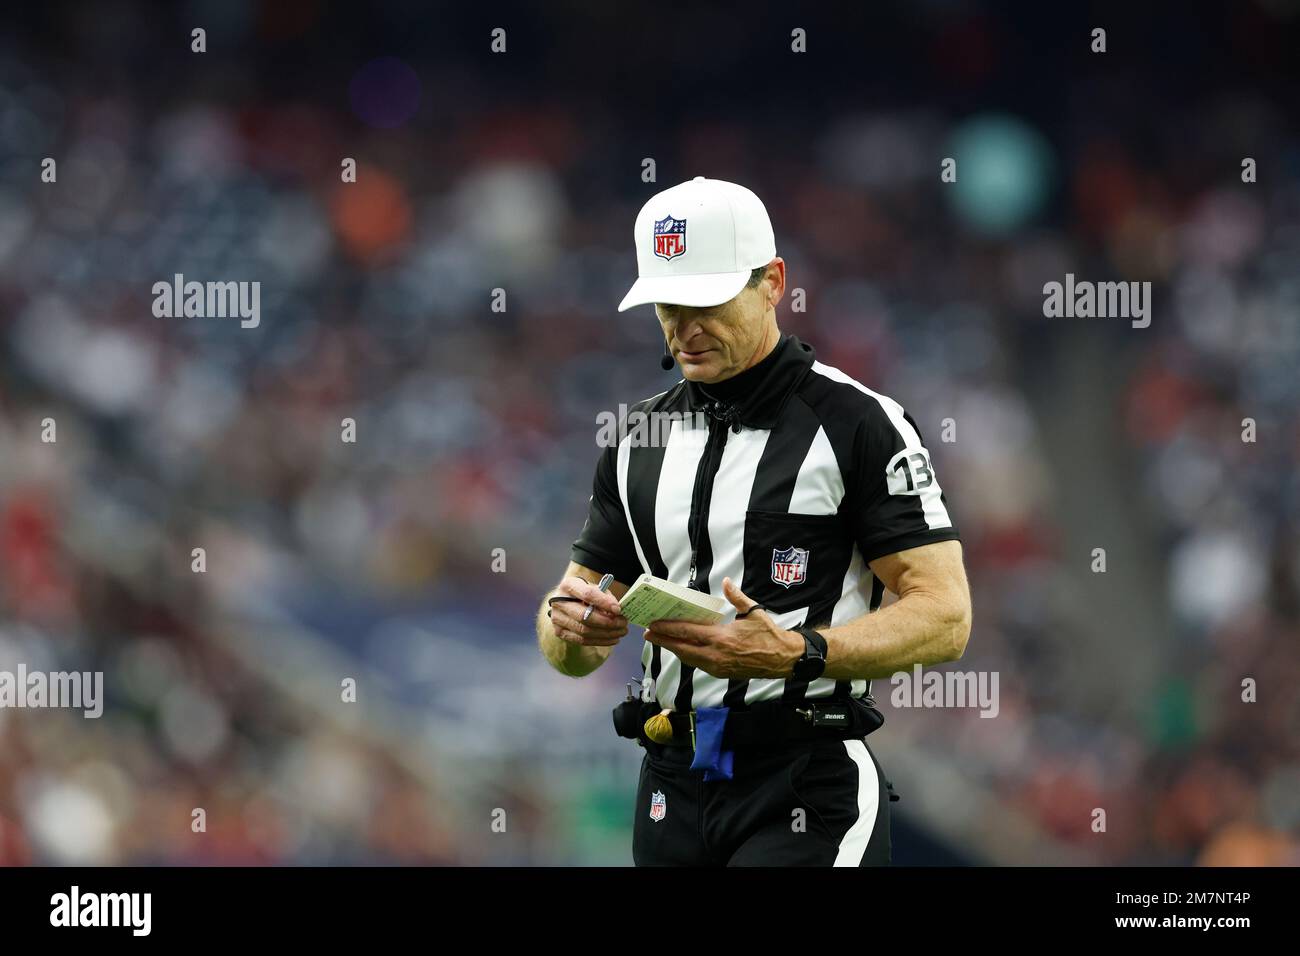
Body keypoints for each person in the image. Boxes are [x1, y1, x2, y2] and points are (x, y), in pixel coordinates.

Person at [536, 176, 973, 866]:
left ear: (772, 281)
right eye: (667, 304)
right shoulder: (635, 437)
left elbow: (947, 617)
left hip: (802, 781)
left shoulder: (858, 424)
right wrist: (575, 629)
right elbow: (567, 635)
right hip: (670, 782)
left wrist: (801, 652)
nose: (685, 327)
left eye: (706, 300)